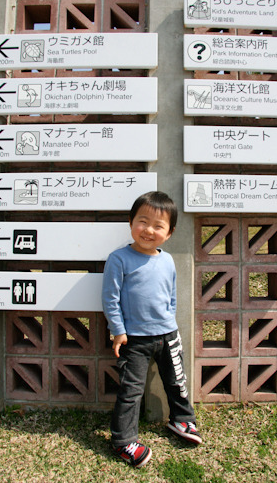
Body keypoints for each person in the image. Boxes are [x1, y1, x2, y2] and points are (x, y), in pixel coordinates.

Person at [102, 191, 202, 468]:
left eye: (158, 226)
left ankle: (183, 421)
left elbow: (171, 296)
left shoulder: (167, 260)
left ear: (169, 233)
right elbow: (110, 298)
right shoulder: (119, 258)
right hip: (133, 339)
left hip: (167, 335)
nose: (149, 230)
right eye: (142, 222)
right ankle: (123, 441)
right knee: (131, 391)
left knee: (177, 381)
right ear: (130, 222)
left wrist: (169, 324)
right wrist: (118, 330)